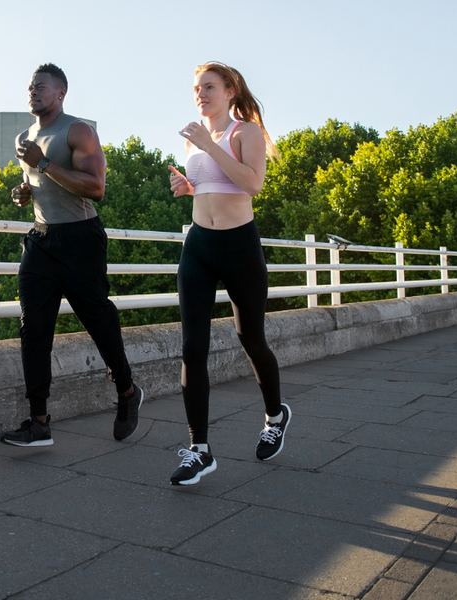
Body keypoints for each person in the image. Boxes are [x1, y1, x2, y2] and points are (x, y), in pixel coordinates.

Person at [1, 63, 144, 447]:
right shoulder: (24, 137)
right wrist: (25, 190)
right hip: (41, 240)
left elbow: (95, 188)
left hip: (80, 239)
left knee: (98, 320)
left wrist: (43, 164)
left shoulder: (77, 130)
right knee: (34, 328)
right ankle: (39, 422)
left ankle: (128, 391)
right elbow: (39, 181)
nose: (33, 92)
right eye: (30, 87)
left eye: (41, 87)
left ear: (60, 94)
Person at [166, 62, 288, 485]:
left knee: (250, 338)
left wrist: (209, 146)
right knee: (192, 347)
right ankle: (199, 449)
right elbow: (216, 185)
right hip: (199, 246)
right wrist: (191, 187)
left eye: (209, 87)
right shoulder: (195, 141)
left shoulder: (245, 132)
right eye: (196, 88)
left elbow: (252, 183)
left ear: (231, 91)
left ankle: (275, 415)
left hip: (239, 247)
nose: (201, 94)